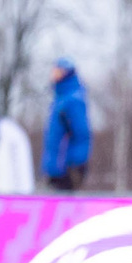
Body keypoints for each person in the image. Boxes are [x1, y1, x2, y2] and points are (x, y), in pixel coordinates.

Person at [45, 58, 92, 192]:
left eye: (58, 71)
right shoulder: (60, 99)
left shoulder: (73, 100)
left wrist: (76, 163)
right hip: (57, 166)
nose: (54, 74)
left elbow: (81, 133)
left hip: (66, 167)